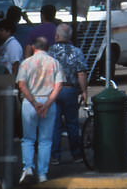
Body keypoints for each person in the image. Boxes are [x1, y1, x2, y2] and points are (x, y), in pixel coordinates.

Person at [16, 36, 63, 184]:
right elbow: (59, 86)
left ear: (34, 47)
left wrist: (34, 102)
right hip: (48, 101)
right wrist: (48, 103)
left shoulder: (26, 63)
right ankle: (43, 174)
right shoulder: (55, 63)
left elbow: (22, 85)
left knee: (28, 138)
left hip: (30, 102)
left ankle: (28, 168)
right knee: (45, 140)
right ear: (47, 48)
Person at [47, 24, 88, 165]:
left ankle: (55, 156)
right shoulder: (76, 51)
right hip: (70, 90)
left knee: (55, 124)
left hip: (53, 90)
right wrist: (84, 91)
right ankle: (76, 155)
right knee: (72, 123)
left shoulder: (49, 52)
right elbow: (81, 73)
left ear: (57, 36)